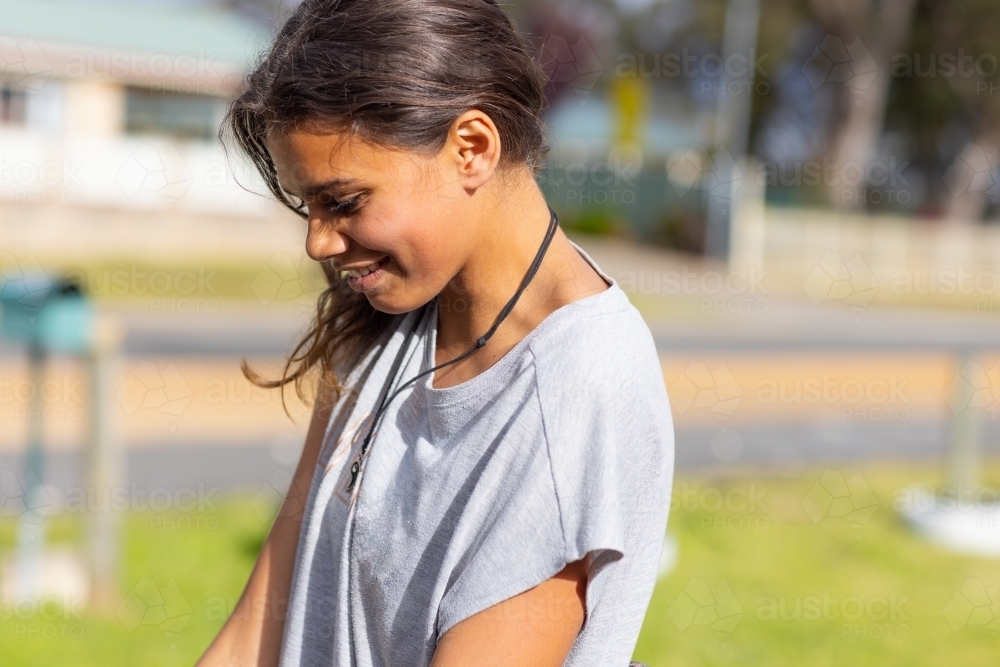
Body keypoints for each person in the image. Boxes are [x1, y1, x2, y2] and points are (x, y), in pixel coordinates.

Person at [196, 1, 674, 665]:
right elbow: (263, 616)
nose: (317, 240)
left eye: (344, 201)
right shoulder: (386, 312)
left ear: (471, 147)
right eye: (307, 205)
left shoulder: (577, 386)